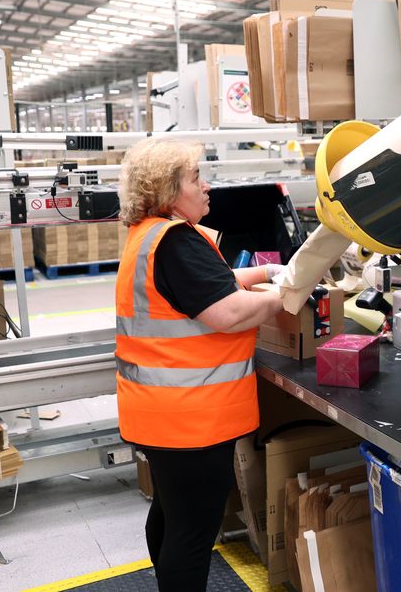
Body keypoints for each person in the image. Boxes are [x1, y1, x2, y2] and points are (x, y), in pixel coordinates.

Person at [115, 138, 284, 590]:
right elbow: (228, 312)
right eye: (196, 178)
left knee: (171, 515)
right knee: (191, 534)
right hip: (192, 420)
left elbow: (210, 284)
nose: (207, 186)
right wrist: (288, 295)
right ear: (168, 192)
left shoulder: (150, 235)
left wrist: (267, 273)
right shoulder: (175, 241)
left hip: (159, 414)